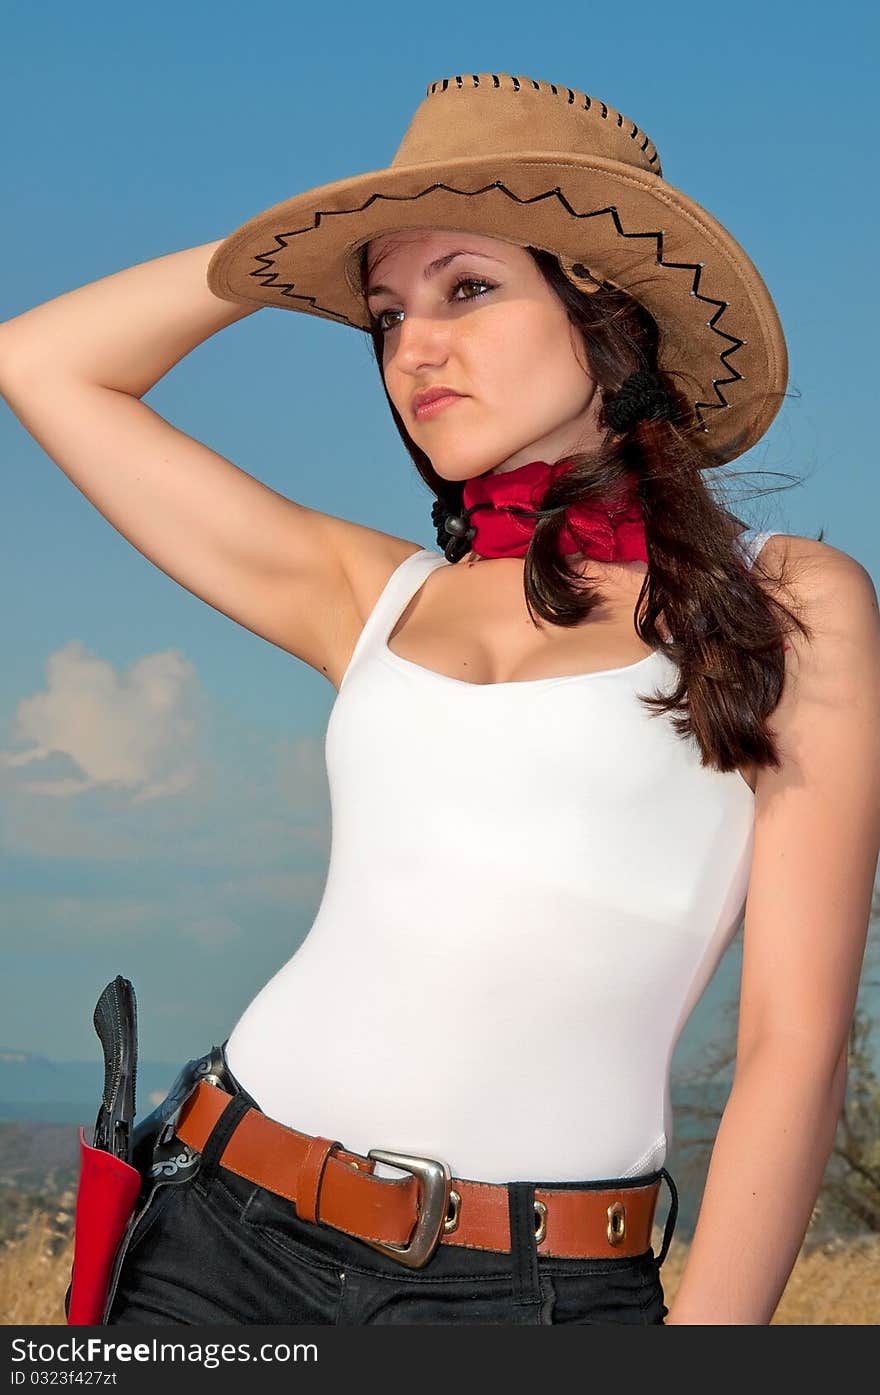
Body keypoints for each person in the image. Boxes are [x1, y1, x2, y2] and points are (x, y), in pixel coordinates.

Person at [2, 72, 878, 1327]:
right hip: (211, 1235)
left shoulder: (786, 604)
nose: (413, 348)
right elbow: (41, 366)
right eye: (381, 316)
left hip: (532, 1295)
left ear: (604, 312)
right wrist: (284, 249)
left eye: (467, 287)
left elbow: (796, 1045)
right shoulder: (369, 591)